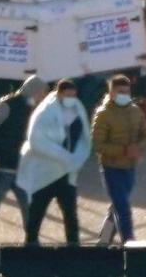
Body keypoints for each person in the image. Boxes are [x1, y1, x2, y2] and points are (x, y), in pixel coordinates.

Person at [18, 79, 91, 245]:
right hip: (45, 172)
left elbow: (83, 138)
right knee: (37, 211)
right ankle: (30, 245)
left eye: (74, 95)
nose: (71, 98)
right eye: (68, 95)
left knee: (70, 214)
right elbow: (37, 140)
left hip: (66, 173)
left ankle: (73, 248)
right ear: (59, 94)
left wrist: (76, 159)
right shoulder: (45, 112)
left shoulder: (76, 110)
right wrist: (64, 156)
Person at [0, 75, 47, 242]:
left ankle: (32, 242)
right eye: (42, 93)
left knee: (26, 205)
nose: (44, 97)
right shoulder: (8, 105)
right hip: (3, 166)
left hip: (21, 167)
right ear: (35, 91)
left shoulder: (35, 110)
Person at [92, 74, 146, 244]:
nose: (124, 95)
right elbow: (98, 144)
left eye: (126, 91)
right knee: (123, 209)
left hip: (130, 167)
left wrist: (139, 148)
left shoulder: (135, 111)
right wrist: (124, 150)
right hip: (111, 168)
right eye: (120, 92)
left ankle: (103, 242)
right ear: (111, 93)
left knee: (117, 207)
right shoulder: (103, 114)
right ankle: (130, 245)